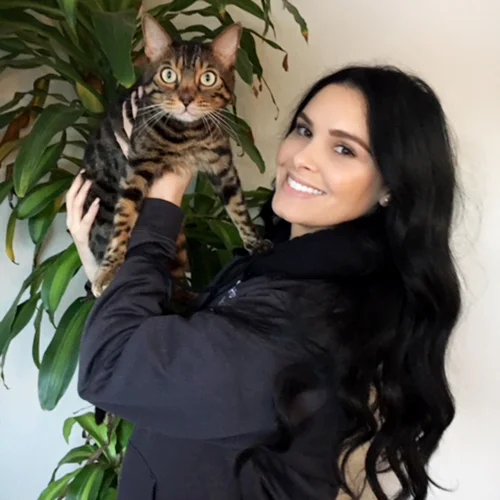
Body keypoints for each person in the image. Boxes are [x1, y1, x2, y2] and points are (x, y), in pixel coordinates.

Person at [68, 65, 461, 500]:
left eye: (345, 150)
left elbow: (111, 365)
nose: (302, 158)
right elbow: (179, 353)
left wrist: (163, 195)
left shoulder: (310, 316)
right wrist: (101, 273)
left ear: (392, 186)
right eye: (303, 130)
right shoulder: (284, 264)